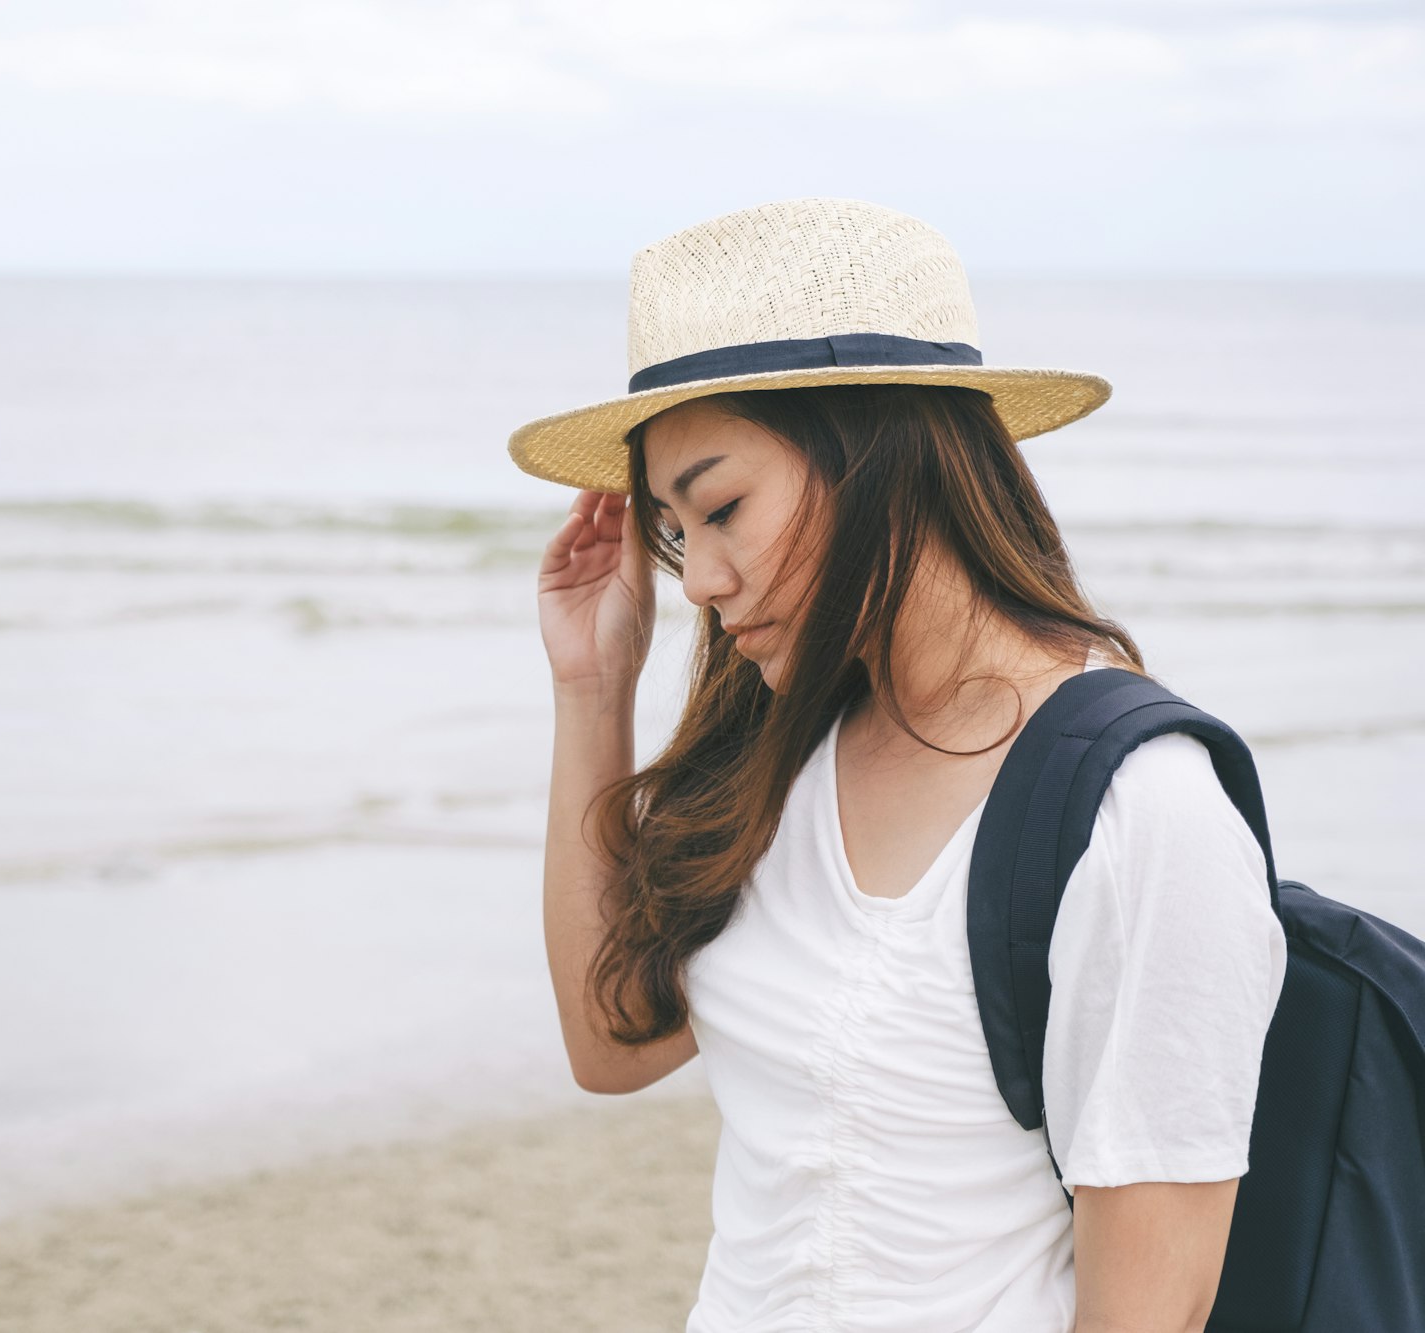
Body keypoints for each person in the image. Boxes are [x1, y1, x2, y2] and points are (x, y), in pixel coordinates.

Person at [512, 199, 1287, 1332]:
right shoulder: (782, 752)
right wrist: (591, 687)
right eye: (676, 531)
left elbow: (1148, 1309)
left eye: (722, 507)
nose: (697, 582)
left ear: (880, 451)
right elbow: (610, 1041)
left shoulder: (1137, 810)